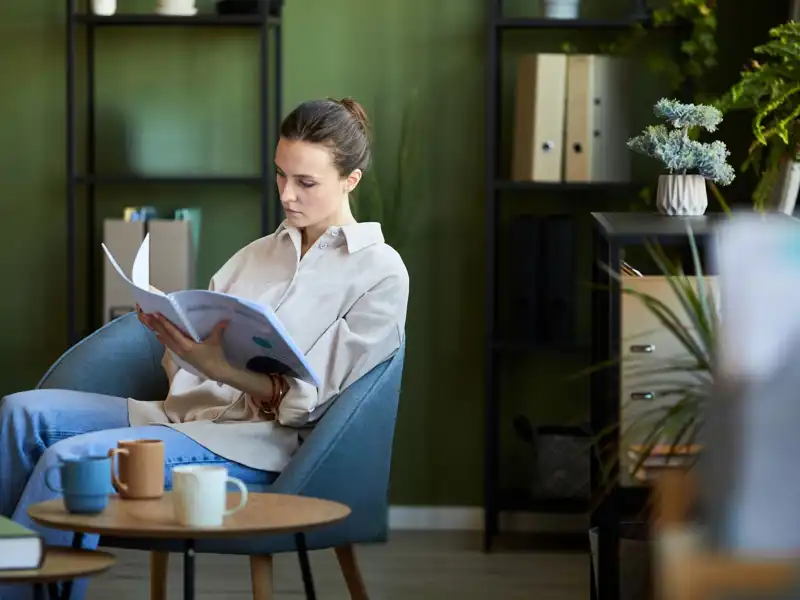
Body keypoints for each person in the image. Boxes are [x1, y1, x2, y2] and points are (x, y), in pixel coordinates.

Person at [0, 97, 409, 600]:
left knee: (72, 458)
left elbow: (314, 401)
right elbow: (192, 365)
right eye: (281, 175)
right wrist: (177, 338)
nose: (286, 195)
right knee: (17, 415)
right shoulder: (255, 256)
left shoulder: (380, 273)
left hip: (261, 445)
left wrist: (221, 368)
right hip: (185, 415)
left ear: (351, 180)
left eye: (306, 183)